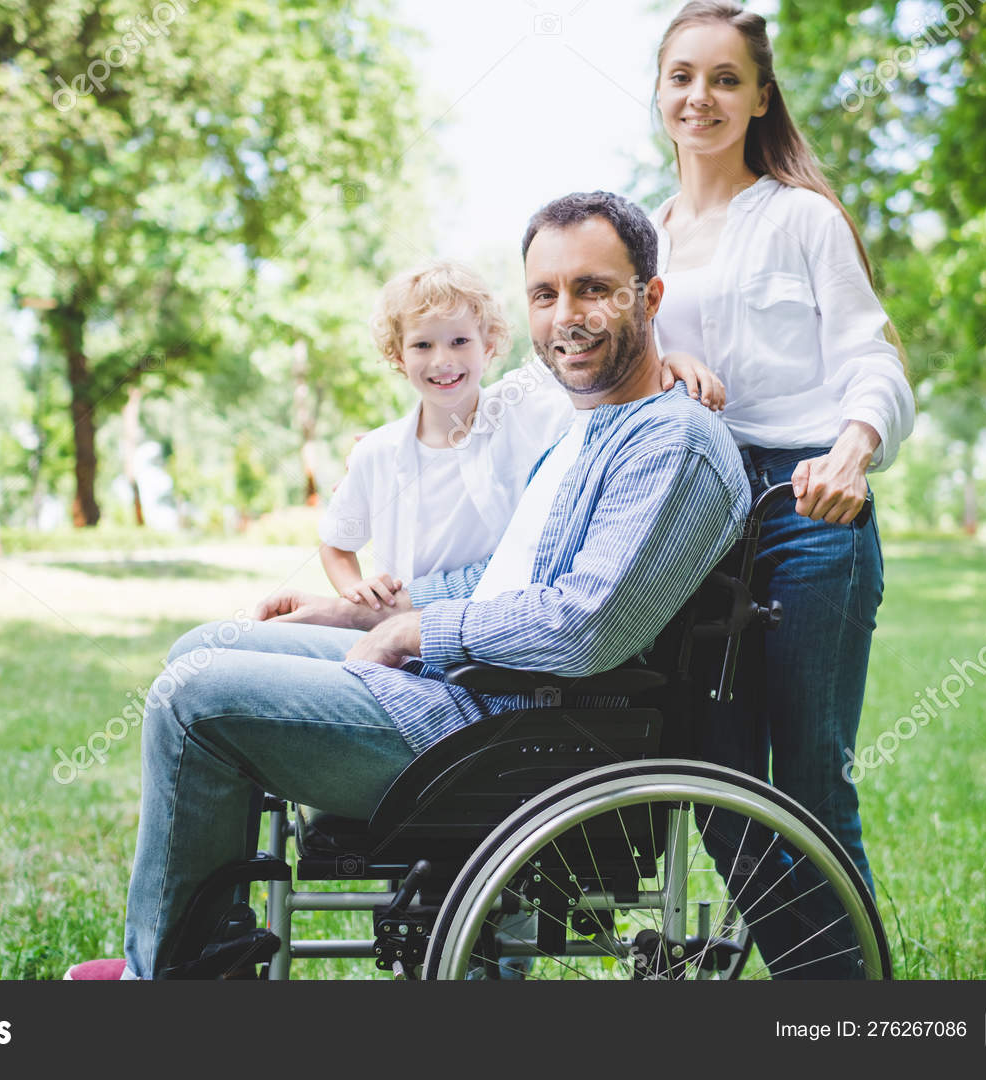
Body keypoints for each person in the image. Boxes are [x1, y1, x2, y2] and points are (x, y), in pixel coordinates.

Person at [64, 190, 750, 980]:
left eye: (594, 288)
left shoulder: (674, 445)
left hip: (505, 732)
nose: (568, 315)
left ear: (650, 297)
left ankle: (177, 981)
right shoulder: (587, 426)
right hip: (468, 690)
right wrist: (358, 609)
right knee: (205, 646)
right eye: (545, 293)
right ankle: (201, 952)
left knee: (193, 697)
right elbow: (495, 580)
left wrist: (416, 633)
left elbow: (584, 624)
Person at [647, 0, 915, 976]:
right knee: (710, 775)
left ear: (760, 96)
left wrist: (853, 450)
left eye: (725, 78)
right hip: (690, 518)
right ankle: (826, 984)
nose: (701, 96)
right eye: (683, 76)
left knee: (808, 779)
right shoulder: (639, 236)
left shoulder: (803, 219)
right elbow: (595, 370)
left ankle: (840, 1003)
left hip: (808, 505)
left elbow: (873, 360)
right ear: (658, 92)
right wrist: (658, 370)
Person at [318, 260, 724, 610]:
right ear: (397, 356)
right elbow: (336, 543)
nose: (443, 360)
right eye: (422, 345)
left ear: (489, 344)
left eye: (460, 341)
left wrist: (672, 360)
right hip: (398, 631)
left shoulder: (523, 405)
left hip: (487, 628)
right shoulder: (377, 451)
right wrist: (354, 591)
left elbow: (610, 380)